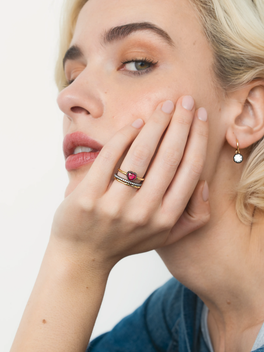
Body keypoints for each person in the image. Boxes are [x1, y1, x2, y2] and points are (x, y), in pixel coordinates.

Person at [10, 0, 264, 351]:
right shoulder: (169, 323)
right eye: (73, 74)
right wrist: (76, 257)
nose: (69, 97)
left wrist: (77, 258)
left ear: (248, 113)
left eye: (137, 63)